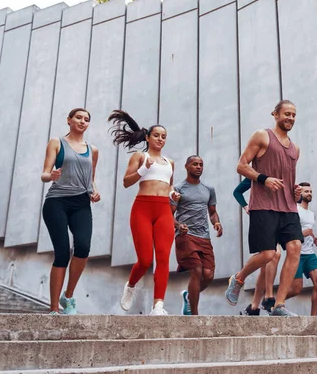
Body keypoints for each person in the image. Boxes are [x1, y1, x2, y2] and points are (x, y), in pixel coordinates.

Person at [225, 100, 302, 317]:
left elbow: (288, 178)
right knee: (268, 254)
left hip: (288, 208)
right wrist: (263, 179)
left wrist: (294, 191)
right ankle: (238, 278)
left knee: (294, 248)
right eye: (286, 113)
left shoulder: (295, 149)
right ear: (275, 114)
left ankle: (279, 305)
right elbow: (241, 165)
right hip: (264, 206)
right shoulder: (262, 136)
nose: (290, 118)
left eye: (294, 115)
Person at [108, 110, 178, 316]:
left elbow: (169, 186)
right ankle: (130, 286)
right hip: (143, 208)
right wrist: (143, 169)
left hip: (164, 210)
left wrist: (174, 194)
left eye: (164, 136)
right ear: (147, 137)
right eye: (156, 135)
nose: (160, 139)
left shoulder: (170, 162)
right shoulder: (141, 156)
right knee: (146, 260)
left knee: (164, 257)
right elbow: (126, 182)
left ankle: (158, 306)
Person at [40, 108, 100, 314]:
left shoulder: (92, 150)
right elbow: (44, 174)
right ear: (69, 120)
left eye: (86, 119)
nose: (82, 121)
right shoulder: (56, 143)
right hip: (57, 202)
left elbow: (90, 179)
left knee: (83, 247)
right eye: (78, 118)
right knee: (63, 252)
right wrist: (52, 175)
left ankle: (69, 296)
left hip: (81, 203)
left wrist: (94, 192)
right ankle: (54, 307)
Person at [171, 155, 222, 315]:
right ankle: (194, 315)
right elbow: (168, 213)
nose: (198, 167)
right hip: (185, 235)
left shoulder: (209, 189)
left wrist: (216, 223)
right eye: (195, 164)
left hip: (204, 237)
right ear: (186, 166)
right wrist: (179, 225)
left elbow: (212, 212)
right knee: (197, 270)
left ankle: (189, 296)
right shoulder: (178, 189)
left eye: (201, 164)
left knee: (208, 275)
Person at [232, 178, 281, 315]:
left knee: (266, 265)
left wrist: (298, 195)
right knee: (274, 255)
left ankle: (254, 307)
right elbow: (237, 192)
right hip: (260, 217)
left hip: (275, 218)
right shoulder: (257, 176)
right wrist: (245, 206)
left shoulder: (279, 174)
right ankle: (268, 297)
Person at [285, 182, 317, 316]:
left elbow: (310, 231)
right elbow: (288, 234)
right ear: (299, 194)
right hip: (296, 254)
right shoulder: (294, 210)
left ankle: (313, 318)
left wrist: (315, 239)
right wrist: (303, 234)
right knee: (296, 289)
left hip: (309, 254)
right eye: (306, 191)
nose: (309, 193)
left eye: (310, 191)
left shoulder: (311, 214)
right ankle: (274, 302)